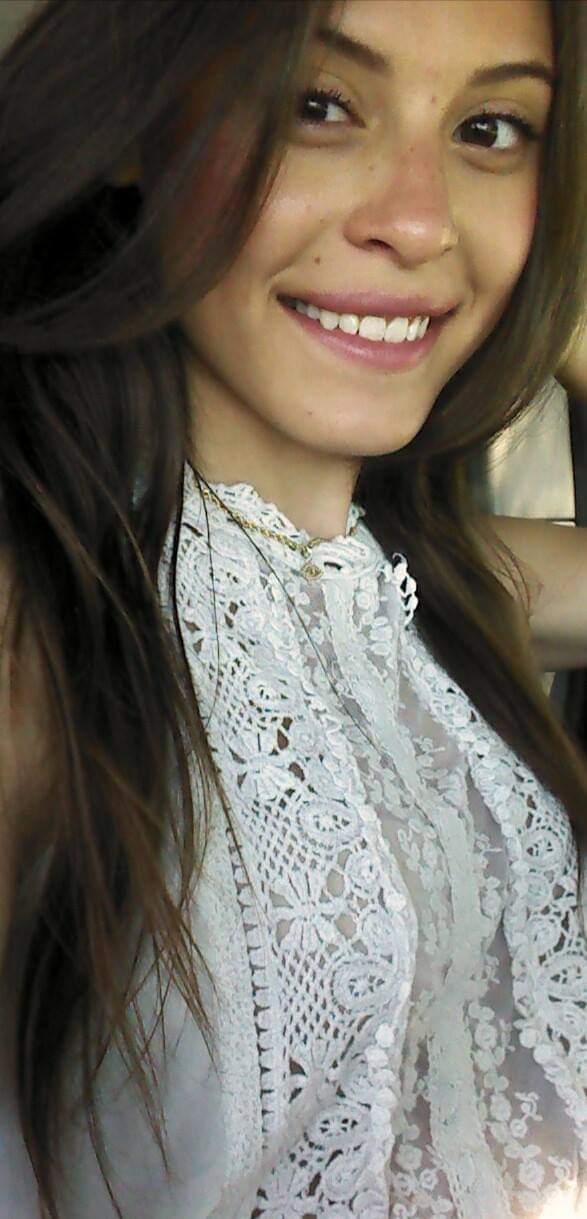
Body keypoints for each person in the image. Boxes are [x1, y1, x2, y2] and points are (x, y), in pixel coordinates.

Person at [0, 1, 585, 1217]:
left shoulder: (414, 584)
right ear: (137, 122)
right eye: (318, 105)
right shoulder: (43, 618)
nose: (417, 219)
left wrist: (541, 279)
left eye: (488, 129)